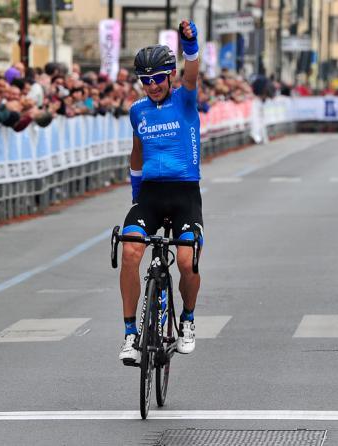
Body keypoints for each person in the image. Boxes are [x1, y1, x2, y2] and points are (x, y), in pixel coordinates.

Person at [118, 20, 204, 363]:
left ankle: (187, 320)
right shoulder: (137, 111)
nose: (152, 86)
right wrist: (136, 194)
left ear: (170, 77)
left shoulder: (185, 100)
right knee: (129, 251)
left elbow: (193, 71)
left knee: (186, 260)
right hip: (151, 194)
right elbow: (137, 153)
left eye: (158, 79)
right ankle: (129, 334)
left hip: (184, 192)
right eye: (146, 81)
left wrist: (191, 44)